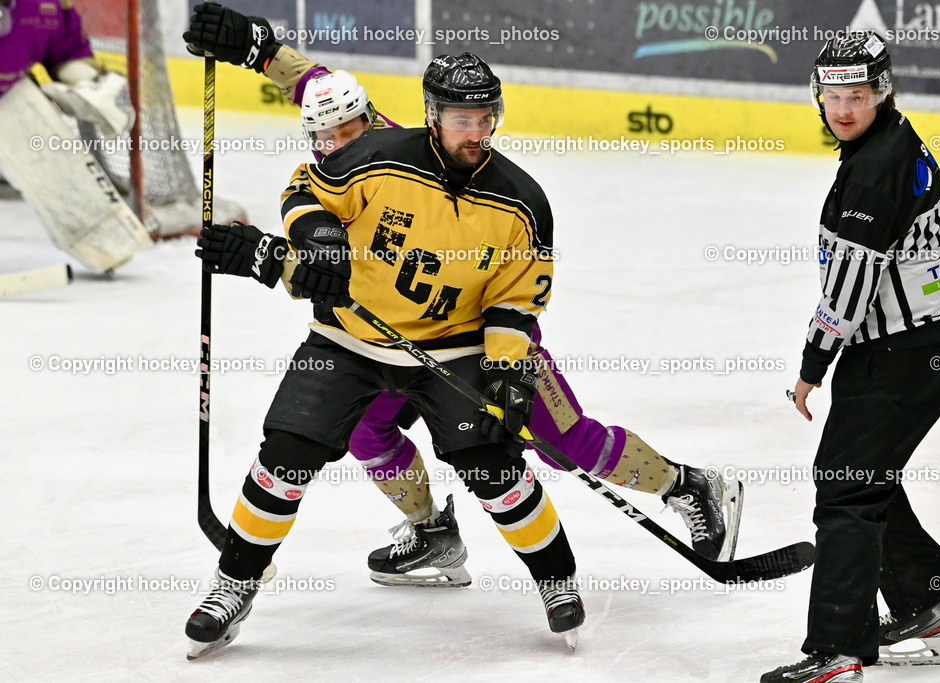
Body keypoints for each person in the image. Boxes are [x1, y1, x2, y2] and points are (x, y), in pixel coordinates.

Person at [185, 3, 744, 583]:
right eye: (327, 135)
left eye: (352, 131)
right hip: (388, 339)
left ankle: (687, 484)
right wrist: (255, 48)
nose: (340, 143)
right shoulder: (338, 170)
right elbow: (316, 95)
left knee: (564, 442)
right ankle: (432, 532)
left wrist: (264, 53)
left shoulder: (399, 150)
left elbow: (511, 289)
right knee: (361, 428)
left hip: (480, 341)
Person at [185, 52, 586, 660]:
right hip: (349, 340)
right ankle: (233, 586)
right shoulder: (379, 156)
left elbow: (514, 299)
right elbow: (305, 189)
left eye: (484, 118)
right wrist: (309, 238)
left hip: (455, 350)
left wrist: (507, 370)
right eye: (460, 118)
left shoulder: (522, 201)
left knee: (493, 467)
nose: (474, 132)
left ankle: (557, 581)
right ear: (432, 115)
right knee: (287, 455)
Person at [761, 31, 940, 682]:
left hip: (902, 351)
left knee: (847, 489)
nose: (843, 108)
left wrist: (810, 366)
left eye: (858, 95)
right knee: (865, 477)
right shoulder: (892, 138)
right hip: (934, 338)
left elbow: (848, 291)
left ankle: (841, 645)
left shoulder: (873, 168)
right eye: (833, 96)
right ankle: (922, 604)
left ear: (883, 92)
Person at [0, 0, 152, 273]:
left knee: (46, 144)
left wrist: (88, 85)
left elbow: (67, 50)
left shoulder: (44, 7)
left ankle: (103, 241)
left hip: (7, 97)